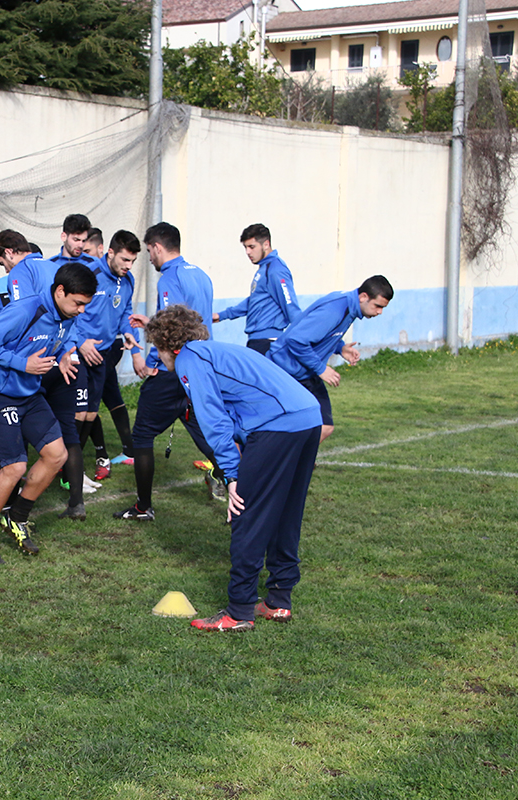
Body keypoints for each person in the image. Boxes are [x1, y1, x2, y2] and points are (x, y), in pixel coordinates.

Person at [144, 305, 321, 632]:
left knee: (246, 513)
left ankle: (239, 611)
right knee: (285, 511)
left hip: (278, 426)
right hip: (308, 418)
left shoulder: (189, 359)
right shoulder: (216, 351)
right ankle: (279, 600)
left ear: (165, 344)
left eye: (156, 348)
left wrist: (233, 475)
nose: (158, 356)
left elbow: (214, 421)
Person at [0, 262, 96, 563]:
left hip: (28, 392)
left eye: (85, 305)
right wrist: (21, 364)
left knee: (56, 455)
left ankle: (17, 517)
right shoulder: (27, 309)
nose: (81, 310)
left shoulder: (67, 317)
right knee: (14, 466)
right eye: (78, 303)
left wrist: (64, 356)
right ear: (60, 291)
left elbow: (63, 340)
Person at [116, 222, 221, 521]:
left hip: (172, 369)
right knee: (207, 433)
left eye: (149, 251)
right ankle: (244, 485)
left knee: (143, 436)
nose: (149, 258)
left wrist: (151, 361)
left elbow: (170, 332)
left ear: (158, 247)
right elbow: (190, 323)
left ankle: (142, 507)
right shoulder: (201, 275)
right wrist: (149, 323)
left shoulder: (169, 279)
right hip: (199, 368)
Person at [268, 276, 393, 442]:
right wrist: (321, 369)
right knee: (272, 428)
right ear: (363, 297)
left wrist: (340, 347)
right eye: (377, 306)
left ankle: (294, 463)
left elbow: (323, 334)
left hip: (306, 372)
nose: (380, 312)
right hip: (285, 371)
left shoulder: (350, 307)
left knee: (324, 426)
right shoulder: (335, 310)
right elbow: (296, 340)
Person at [72, 230, 141, 487]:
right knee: (78, 413)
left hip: (103, 355)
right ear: (109, 252)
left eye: (132, 261)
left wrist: (127, 332)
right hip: (80, 353)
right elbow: (70, 311)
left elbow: (125, 311)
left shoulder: (128, 280)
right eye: (124, 260)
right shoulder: (91, 275)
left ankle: (73, 469)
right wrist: (81, 342)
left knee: (91, 413)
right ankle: (68, 469)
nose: (128, 266)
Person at [213, 223, 300, 354]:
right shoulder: (264, 268)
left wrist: (308, 340)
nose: (248, 252)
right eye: (246, 247)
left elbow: (290, 305)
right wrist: (222, 315)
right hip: (257, 340)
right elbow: (254, 300)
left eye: (251, 247)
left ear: (266, 244)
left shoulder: (276, 270)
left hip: (268, 342)